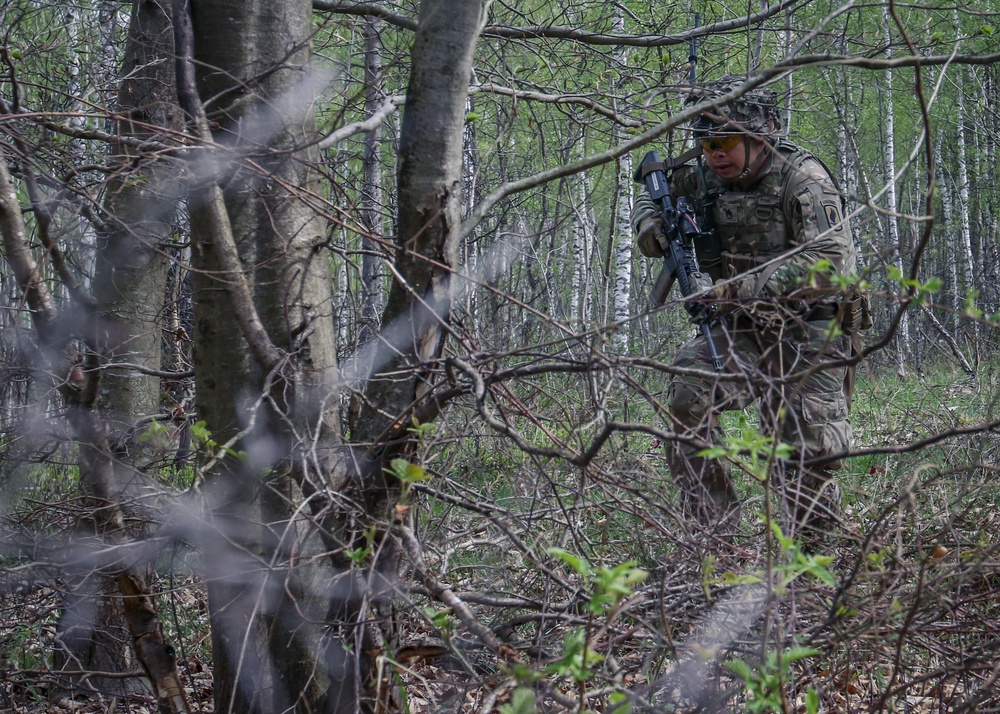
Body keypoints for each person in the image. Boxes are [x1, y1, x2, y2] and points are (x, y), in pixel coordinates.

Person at [631, 76, 868, 547]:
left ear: (763, 138)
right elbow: (650, 196)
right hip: (740, 328)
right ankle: (714, 533)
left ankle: (812, 561)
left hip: (810, 327)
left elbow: (829, 266)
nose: (714, 154)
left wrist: (732, 289)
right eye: (705, 143)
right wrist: (652, 226)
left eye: (725, 143)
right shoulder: (698, 174)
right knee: (687, 393)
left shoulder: (803, 179)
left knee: (807, 449)